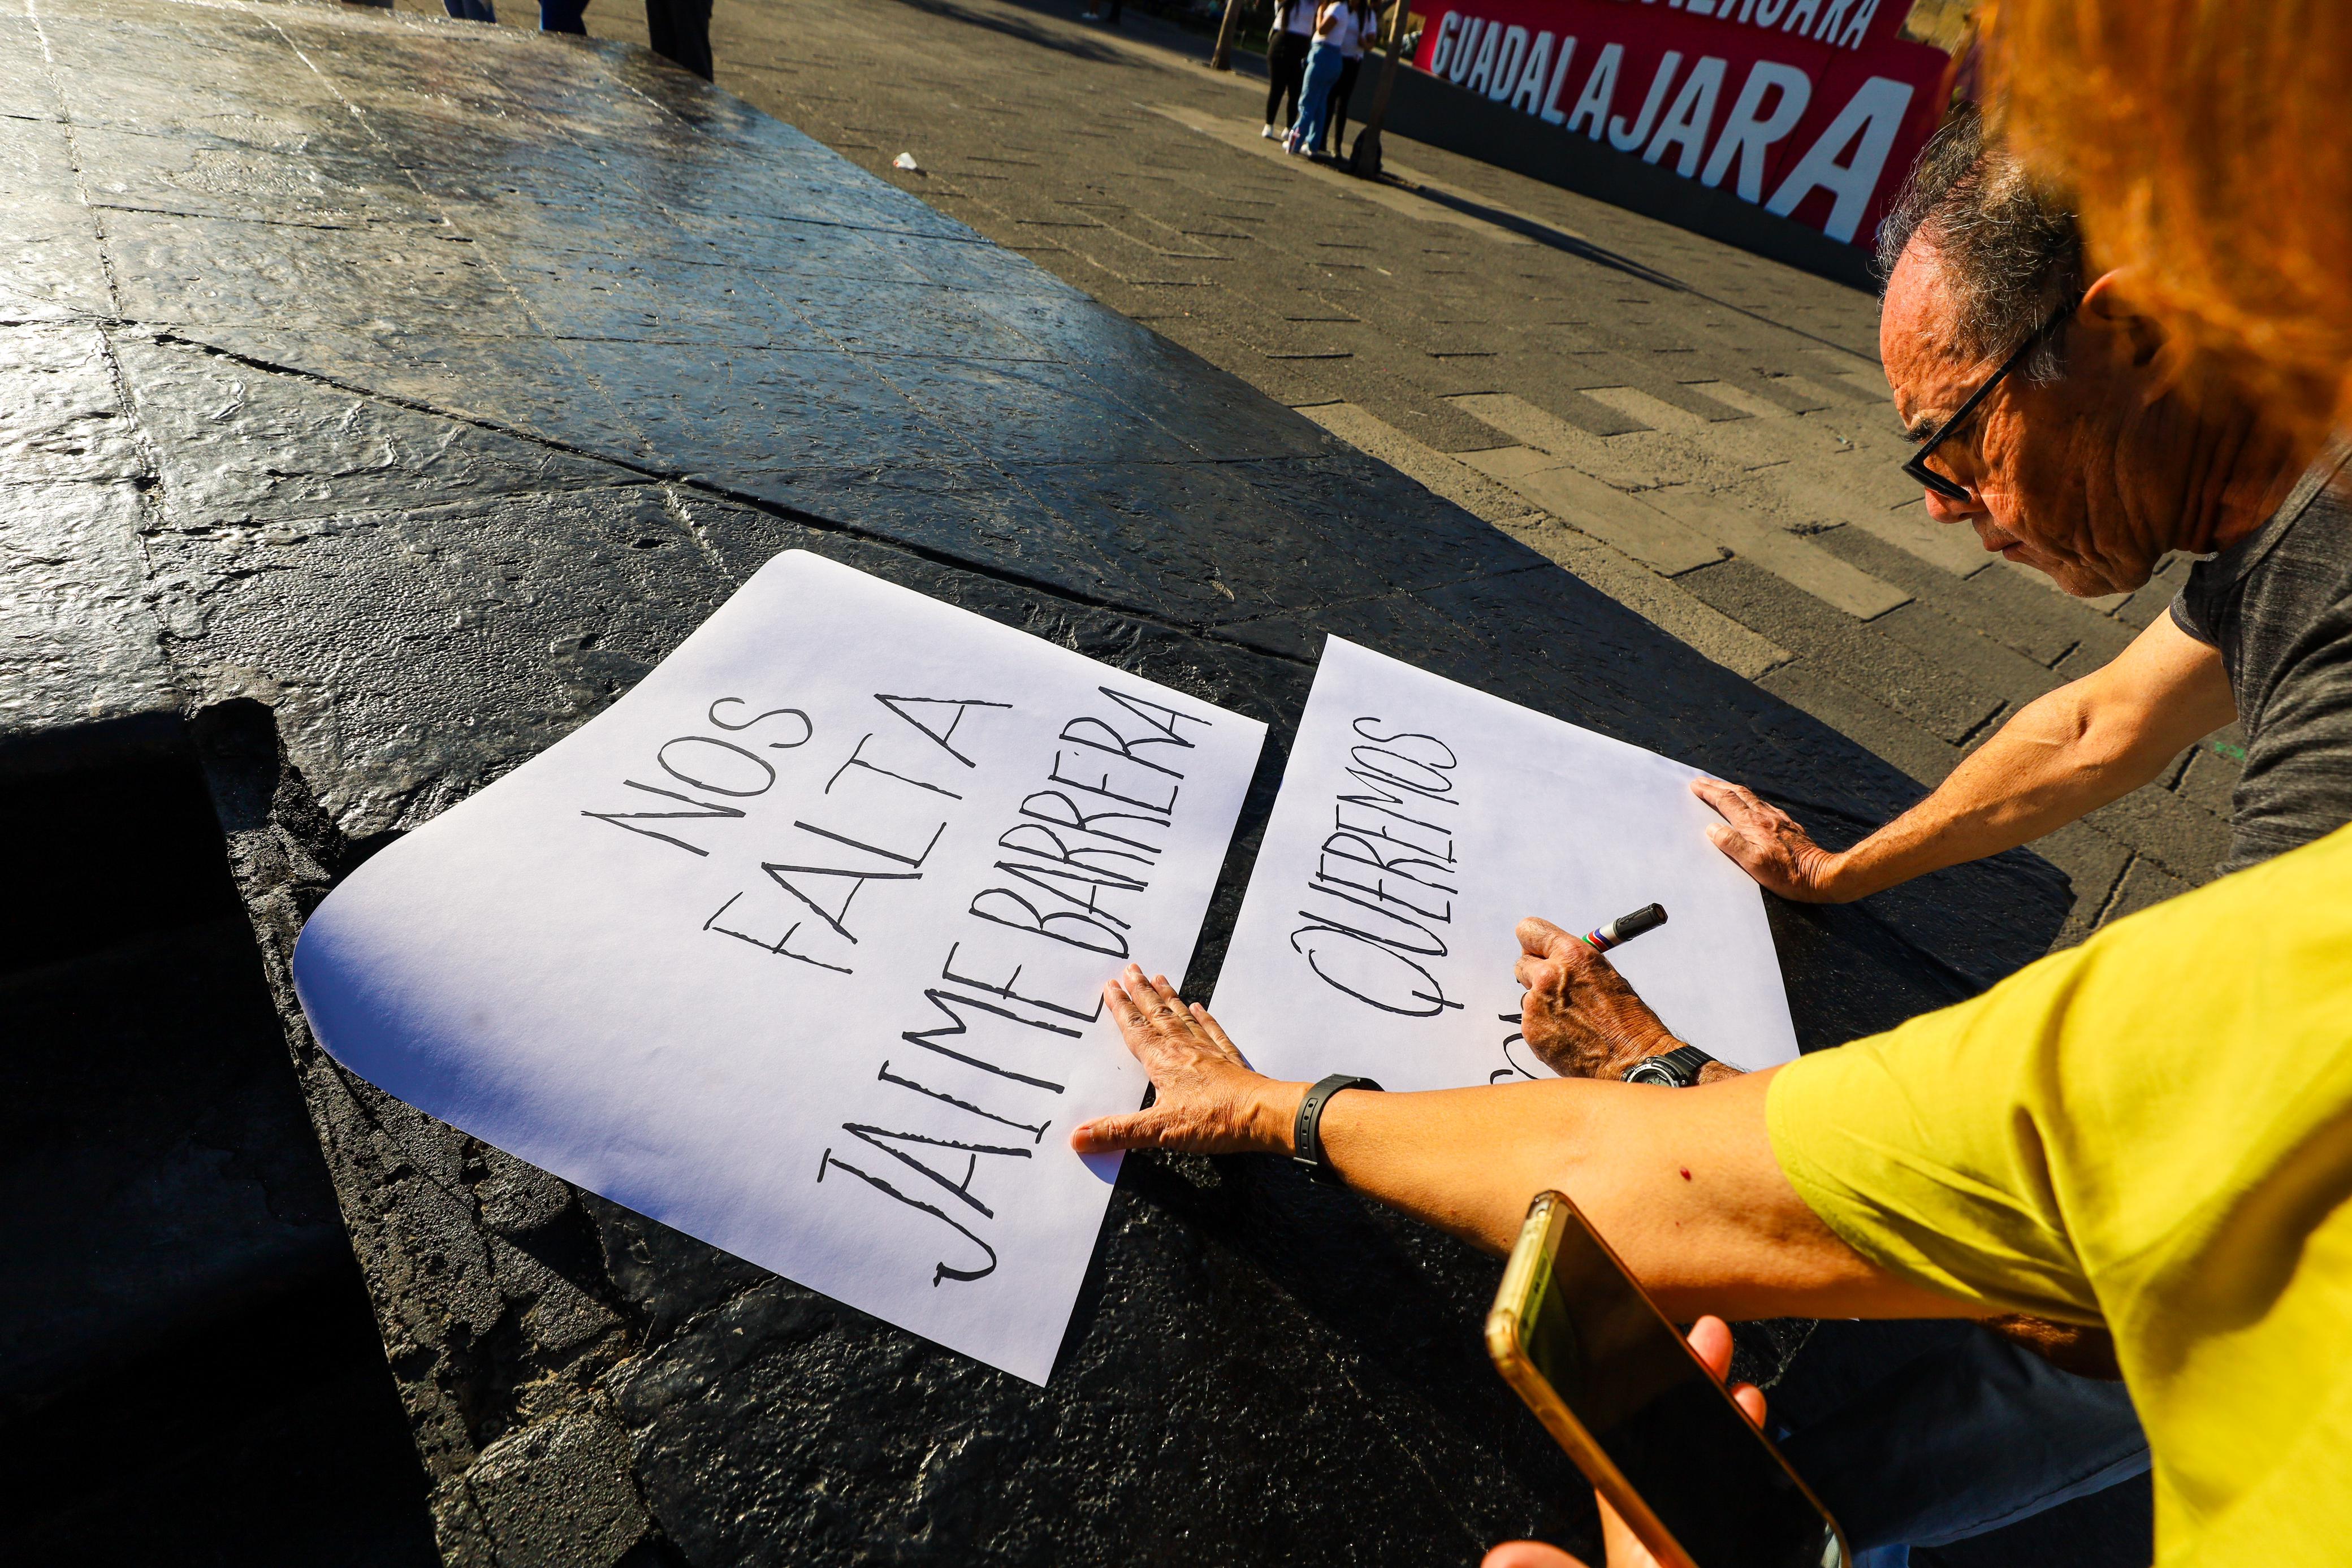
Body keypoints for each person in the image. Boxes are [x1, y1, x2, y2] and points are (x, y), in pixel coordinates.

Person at [1080, 816, 2352, 1566]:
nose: (1938, 505)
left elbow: (1648, 1186)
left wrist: (1279, 1108)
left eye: (1948, 449)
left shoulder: (2279, 995)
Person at [1285, 0, 1364, 157]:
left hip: (1323, 56)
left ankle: (1295, 141)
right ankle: (1313, 144)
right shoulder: (1343, 9)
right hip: (1332, 59)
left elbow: (1322, 30)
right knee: (1321, 104)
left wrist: (1320, 12)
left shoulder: (1338, 9)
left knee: (1307, 102)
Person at [1320, 0, 1378, 155]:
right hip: (1337, 56)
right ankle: (1321, 139)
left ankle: (1337, 145)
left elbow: (1372, 43)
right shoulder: (1343, 9)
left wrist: (1364, 44)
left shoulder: (1368, 15)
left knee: (1343, 103)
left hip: (1353, 60)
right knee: (1329, 98)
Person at [1263, 0, 1316, 142]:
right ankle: (1269, 124)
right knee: (1277, 88)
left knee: (1295, 90)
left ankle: (1289, 127)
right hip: (1282, 41)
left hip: (1302, 45)